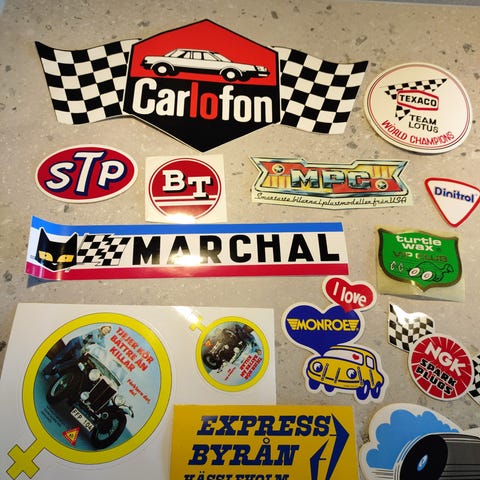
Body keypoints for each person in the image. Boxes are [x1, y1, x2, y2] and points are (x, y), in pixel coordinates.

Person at [43, 325, 111, 377]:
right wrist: (100, 343)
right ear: (103, 327)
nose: (105, 330)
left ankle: (58, 368)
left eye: (107, 331)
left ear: (107, 333)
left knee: (76, 359)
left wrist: (107, 351)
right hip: (76, 341)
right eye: (105, 328)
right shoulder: (96, 331)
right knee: (61, 355)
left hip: (80, 347)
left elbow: (103, 346)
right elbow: (95, 340)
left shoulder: (102, 338)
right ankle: (46, 371)